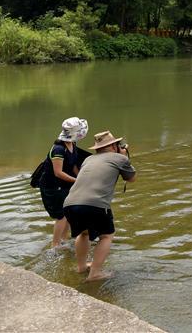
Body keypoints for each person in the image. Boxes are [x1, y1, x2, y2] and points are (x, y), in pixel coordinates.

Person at [63, 131, 136, 282]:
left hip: (70, 203)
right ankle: (95, 273)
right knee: (106, 236)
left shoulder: (88, 159)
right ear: (113, 146)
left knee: (83, 234)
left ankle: (81, 268)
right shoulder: (119, 158)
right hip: (95, 204)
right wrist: (124, 156)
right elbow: (131, 178)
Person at [38, 117, 89, 248]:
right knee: (61, 216)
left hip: (64, 185)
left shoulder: (72, 144)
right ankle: (55, 245)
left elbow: (73, 166)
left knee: (67, 213)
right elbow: (58, 172)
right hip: (53, 187)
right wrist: (77, 181)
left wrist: (82, 178)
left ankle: (64, 240)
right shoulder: (58, 149)